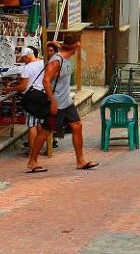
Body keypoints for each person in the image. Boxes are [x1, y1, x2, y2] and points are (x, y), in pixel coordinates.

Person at [27, 34, 98, 173]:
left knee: (77, 126)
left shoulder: (65, 54)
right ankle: (32, 161)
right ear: (75, 46)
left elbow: (61, 46)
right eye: (78, 45)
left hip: (67, 102)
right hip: (56, 103)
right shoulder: (56, 61)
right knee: (46, 131)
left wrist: (57, 43)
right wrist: (53, 102)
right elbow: (46, 81)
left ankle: (80, 161)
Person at [9, 47, 45, 154]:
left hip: (32, 97)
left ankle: (31, 151)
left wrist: (11, 88)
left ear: (28, 56)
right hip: (42, 94)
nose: (23, 61)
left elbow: (23, 87)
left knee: (32, 125)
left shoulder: (27, 68)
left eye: (23, 58)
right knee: (39, 123)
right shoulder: (43, 63)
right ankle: (38, 148)